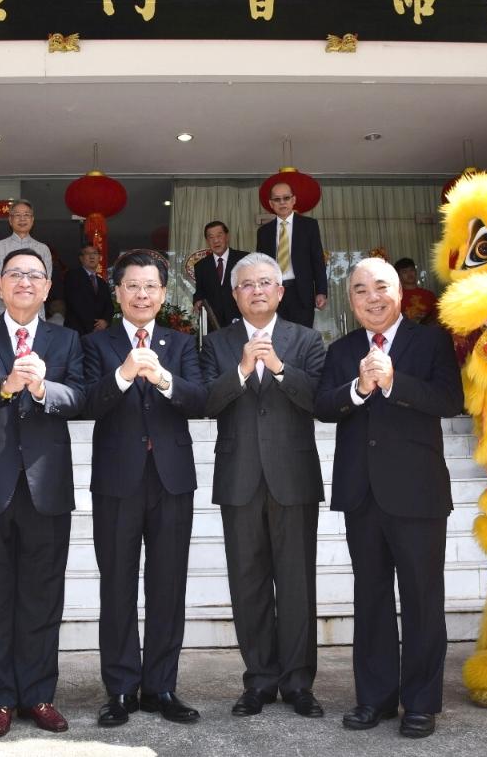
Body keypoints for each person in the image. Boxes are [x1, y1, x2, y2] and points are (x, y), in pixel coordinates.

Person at [315, 257, 463, 740]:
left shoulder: (431, 341)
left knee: (422, 598)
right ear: (351, 301)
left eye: (381, 287)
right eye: (360, 290)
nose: (371, 297)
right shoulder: (341, 350)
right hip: (363, 494)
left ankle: (420, 702)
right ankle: (374, 698)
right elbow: (322, 406)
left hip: (418, 492)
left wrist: (395, 383)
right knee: (371, 598)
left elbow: (448, 400)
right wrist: (358, 389)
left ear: (400, 293)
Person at [0, 247, 86, 738]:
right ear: (0, 286)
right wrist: (3, 387)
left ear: (47, 289)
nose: (25, 282)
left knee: (43, 594)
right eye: (15, 275)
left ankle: (38, 694)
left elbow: (81, 396)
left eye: (35, 275)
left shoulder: (65, 340)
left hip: (47, 486)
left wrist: (47, 390)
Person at [83, 251, 208, 728]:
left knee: (167, 587)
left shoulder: (179, 344)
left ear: (162, 292)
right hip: (117, 482)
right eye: (132, 286)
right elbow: (88, 403)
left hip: (172, 480)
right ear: (117, 293)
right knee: (116, 586)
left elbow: (199, 400)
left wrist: (162, 377)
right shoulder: (97, 344)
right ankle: (119, 689)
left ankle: (161, 687)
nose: (142, 294)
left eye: (151, 286)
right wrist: (124, 373)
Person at [200, 253, 327, 719]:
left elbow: (319, 400)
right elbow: (207, 403)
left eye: (265, 283)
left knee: (297, 583)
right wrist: (238, 371)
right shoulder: (217, 343)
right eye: (246, 284)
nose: (256, 290)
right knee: (248, 583)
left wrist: (277, 367)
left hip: (292, 479)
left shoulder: (306, 340)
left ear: (280, 291)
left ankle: (298, 683)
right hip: (239, 479)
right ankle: (258, 681)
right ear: (235, 294)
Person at [255, 183, 327, 327]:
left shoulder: (309, 226)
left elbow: (317, 260)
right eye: (277, 199)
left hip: (301, 292)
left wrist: (321, 291)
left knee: (302, 338)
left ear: (293, 200)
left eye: (286, 198)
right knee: (276, 338)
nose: (282, 202)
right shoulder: (264, 232)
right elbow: (260, 266)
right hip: (273, 293)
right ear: (271, 204)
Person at [0, 199, 53, 318]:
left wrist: (27, 300)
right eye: (17, 215)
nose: (22, 219)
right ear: (10, 220)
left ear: (32, 220)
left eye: (26, 215)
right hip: (5, 310)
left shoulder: (43, 249)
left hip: (34, 312)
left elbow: (44, 282)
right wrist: (16, 301)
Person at [192, 220, 248, 329]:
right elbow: (200, 291)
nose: (216, 240)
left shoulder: (244, 260)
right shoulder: (201, 265)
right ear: (207, 241)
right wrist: (197, 300)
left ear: (227, 237)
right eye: (211, 237)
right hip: (214, 324)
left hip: (241, 321)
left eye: (219, 235)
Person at [63, 244, 114, 335]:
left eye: (95, 253)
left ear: (99, 258)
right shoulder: (73, 276)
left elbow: (109, 306)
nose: (92, 256)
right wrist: (92, 327)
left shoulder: (102, 282)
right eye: (87, 253)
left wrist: (105, 321)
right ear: (81, 258)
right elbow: (76, 303)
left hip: (99, 333)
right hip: (77, 331)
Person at [393, 257, 438, 324]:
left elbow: (439, 317)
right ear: (398, 276)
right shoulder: (395, 297)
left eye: (411, 270)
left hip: (428, 332)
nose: (409, 274)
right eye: (404, 271)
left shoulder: (429, 294)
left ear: (415, 272)